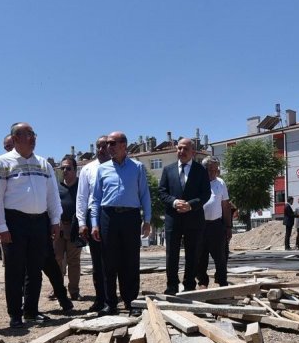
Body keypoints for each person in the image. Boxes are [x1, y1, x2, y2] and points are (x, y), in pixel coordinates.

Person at [0, 122, 72, 328]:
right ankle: (15, 315)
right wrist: (1, 226)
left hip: (39, 222)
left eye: (33, 134)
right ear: (15, 138)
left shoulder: (43, 164)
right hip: (14, 221)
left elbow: (52, 195)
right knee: (15, 270)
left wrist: (55, 221)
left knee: (35, 270)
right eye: (27, 134)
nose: (32, 138)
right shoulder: (2, 163)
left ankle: (31, 311)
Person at [90, 132, 151, 315]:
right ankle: (111, 304)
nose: (109, 146)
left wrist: (147, 220)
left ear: (124, 145)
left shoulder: (137, 167)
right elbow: (95, 199)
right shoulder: (102, 169)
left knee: (130, 261)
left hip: (130, 217)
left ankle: (131, 303)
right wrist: (94, 223)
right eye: (107, 143)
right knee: (108, 261)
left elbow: (145, 195)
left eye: (112, 143)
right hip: (108, 216)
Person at [158, 137, 211, 295]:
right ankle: (172, 285)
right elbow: (162, 192)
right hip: (173, 218)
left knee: (193, 253)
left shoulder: (200, 170)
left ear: (192, 152)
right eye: (179, 148)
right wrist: (174, 202)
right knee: (172, 253)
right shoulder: (168, 170)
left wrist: (191, 204)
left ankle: (189, 284)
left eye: (185, 149)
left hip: (194, 218)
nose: (181, 151)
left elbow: (206, 194)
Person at [77, 136, 109, 312]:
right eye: (99, 146)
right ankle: (100, 299)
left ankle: (115, 298)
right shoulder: (88, 169)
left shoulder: (118, 167)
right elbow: (81, 197)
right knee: (98, 261)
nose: (102, 149)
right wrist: (82, 222)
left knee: (115, 260)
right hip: (94, 216)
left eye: (104, 146)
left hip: (113, 215)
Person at [196, 156, 231, 288]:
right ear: (204, 170)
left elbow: (225, 205)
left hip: (216, 225)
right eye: (209, 170)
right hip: (200, 226)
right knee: (200, 257)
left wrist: (228, 226)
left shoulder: (220, 183)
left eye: (215, 170)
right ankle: (203, 282)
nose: (212, 173)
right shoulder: (197, 183)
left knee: (221, 256)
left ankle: (222, 281)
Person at [52, 154, 82, 300]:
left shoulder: (81, 186)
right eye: (62, 168)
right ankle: (57, 289)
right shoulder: (56, 187)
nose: (65, 171)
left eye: (68, 168)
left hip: (75, 229)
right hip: (59, 229)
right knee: (56, 260)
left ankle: (74, 291)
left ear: (75, 170)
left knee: (74, 261)